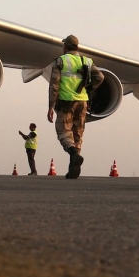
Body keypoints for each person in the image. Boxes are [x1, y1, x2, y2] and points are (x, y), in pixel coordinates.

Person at [48, 35, 103, 179]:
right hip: (83, 101)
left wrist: (50, 106)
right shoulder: (87, 61)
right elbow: (100, 77)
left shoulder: (61, 61)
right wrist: (89, 88)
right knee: (78, 133)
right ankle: (73, 167)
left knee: (64, 132)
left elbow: (54, 85)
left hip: (66, 102)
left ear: (65, 47)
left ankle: (73, 153)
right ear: (77, 47)